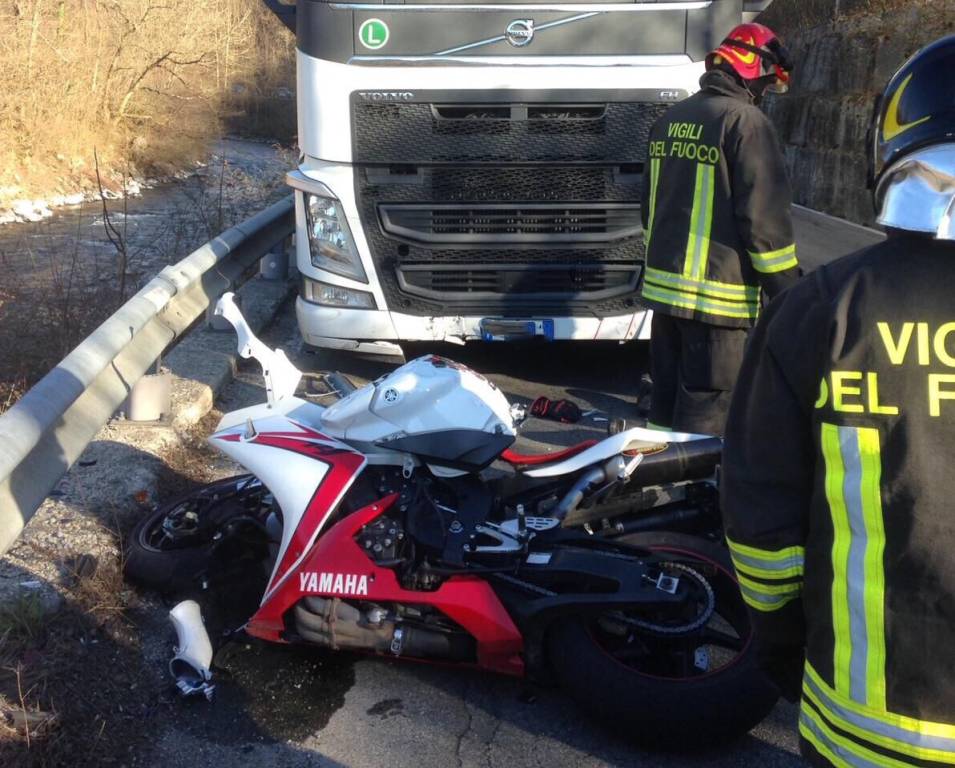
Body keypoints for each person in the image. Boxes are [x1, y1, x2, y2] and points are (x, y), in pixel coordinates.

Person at [721, 35, 955, 767]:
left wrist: (783, 645)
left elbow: (760, 526)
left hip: (868, 727)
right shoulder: (741, 125)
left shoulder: (821, 311)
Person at [640, 22, 799, 436]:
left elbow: (649, 210)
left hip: (663, 298)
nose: (765, 91)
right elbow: (763, 225)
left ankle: (653, 493)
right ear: (751, 68)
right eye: (766, 81)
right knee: (707, 416)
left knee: (665, 406)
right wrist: (792, 294)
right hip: (716, 305)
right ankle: (697, 495)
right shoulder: (745, 123)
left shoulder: (671, 120)